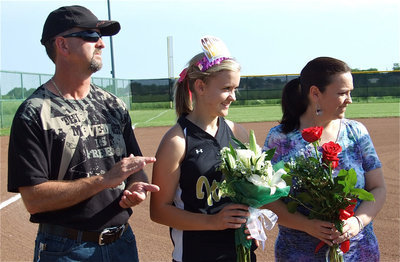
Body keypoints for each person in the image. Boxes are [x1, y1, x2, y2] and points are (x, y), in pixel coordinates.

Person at [7, 5, 159, 262]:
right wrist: (104, 180)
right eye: (90, 35)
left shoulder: (114, 105)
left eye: (100, 36)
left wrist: (136, 187)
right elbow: (33, 199)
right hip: (65, 249)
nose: (100, 43)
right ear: (63, 45)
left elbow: (134, 167)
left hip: (122, 243)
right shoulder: (35, 113)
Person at [263, 57, 386, 261]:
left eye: (350, 92)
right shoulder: (280, 139)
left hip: (359, 253)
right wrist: (307, 225)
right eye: (342, 93)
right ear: (315, 93)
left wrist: (357, 222)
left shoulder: (356, 132)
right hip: (298, 254)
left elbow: (378, 187)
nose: (349, 99)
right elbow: (268, 198)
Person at [150, 36, 257, 262]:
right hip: (195, 255)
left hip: (240, 253)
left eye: (235, 88)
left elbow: (253, 193)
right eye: (227, 88)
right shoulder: (177, 141)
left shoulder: (239, 133)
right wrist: (213, 222)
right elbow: (159, 211)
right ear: (200, 86)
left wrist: (255, 220)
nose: (233, 97)